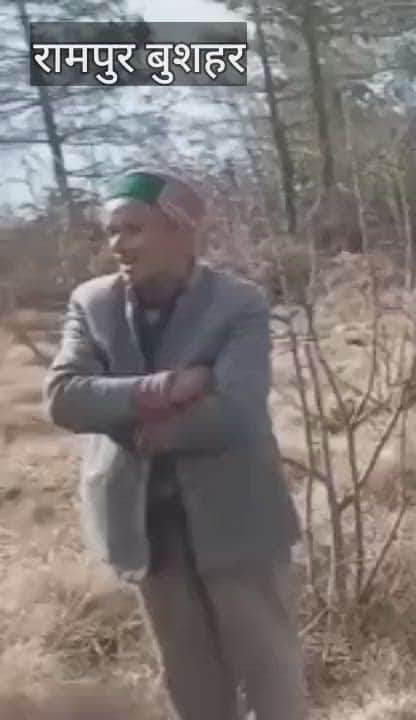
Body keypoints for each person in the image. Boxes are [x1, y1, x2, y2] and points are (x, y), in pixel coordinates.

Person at [43, 168, 306, 720]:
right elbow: (64, 399)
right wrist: (167, 388)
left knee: (270, 676)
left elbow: (238, 409)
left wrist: (148, 428)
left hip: (236, 519)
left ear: (181, 229)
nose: (119, 245)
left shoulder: (238, 303)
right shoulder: (92, 304)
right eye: (112, 231)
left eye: (134, 229)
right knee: (191, 684)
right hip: (145, 529)